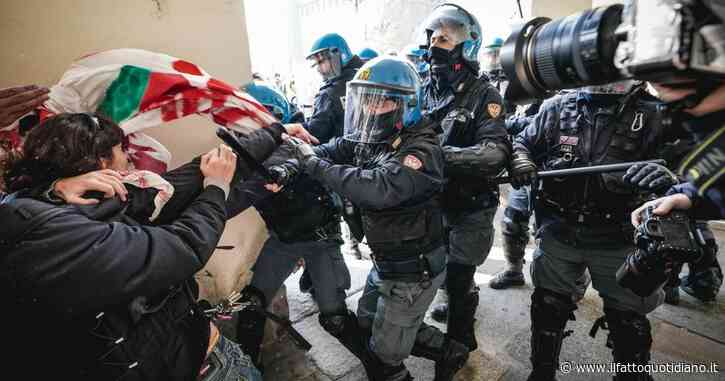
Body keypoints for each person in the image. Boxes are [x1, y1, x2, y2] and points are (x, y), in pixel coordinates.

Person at [0, 111, 315, 381]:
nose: (130, 157)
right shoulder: (66, 237)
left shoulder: (50, 203)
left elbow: (193, 172)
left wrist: (278, 132)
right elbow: (183, 245)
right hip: (194, 368)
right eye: (122, 150)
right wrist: (216, 187)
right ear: (100, 162)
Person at [284, 56, 468, 381]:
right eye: (365, 98)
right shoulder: (373, 137)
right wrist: (294, 158)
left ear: (405, 104)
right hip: (387, 261)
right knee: (369, 322)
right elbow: (333, 148)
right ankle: (450, 350)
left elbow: (379, 188)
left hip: (414, 270)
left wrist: (314, 165)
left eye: (378, 100)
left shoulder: (420, 149)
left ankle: (438, 356)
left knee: (385, 356)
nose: (369, 108)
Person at [511, 81, 679, 381]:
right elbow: (523, 142)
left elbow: (697, 166)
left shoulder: (657, 113)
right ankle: (542, 372)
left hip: (619, 239)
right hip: (559, 232)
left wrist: (672, 178)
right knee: (548, 305)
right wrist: (521, 159)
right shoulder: (556, 107)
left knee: (627, 318)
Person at [233, 83, 351, 370]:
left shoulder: (297, 144)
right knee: (252, 305)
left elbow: (292, 162)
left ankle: (384, 368)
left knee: (335, 318)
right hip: (284, 240)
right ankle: (245, 370)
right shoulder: (246, 153)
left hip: (319, 240)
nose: (249, 131)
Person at [417, 3, 511, 351]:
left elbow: (494, 152)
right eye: (432, 38)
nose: (434, 46)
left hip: (470, 203)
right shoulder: (425, 88)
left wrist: (440, 157)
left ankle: (460, 338)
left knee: (460, 274)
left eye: (444, 39)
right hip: (432, 199)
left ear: (466, 45)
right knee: (436, 264)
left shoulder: (485, 94)